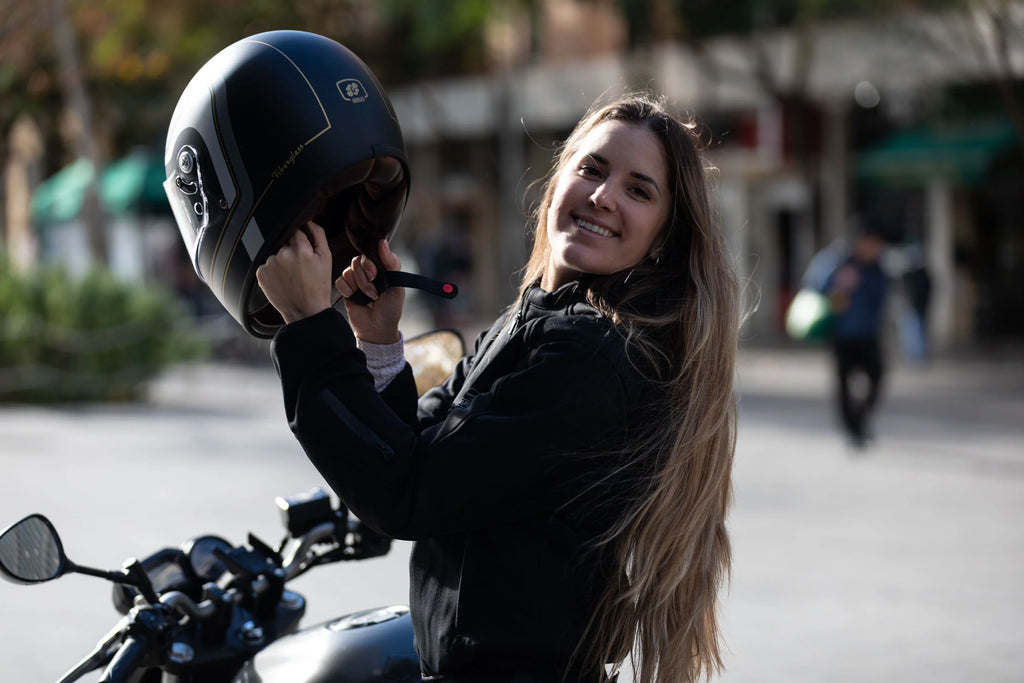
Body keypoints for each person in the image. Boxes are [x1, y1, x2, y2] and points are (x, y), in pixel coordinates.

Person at [255, 93, 740, 683]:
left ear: (663, 237)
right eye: (592, 169)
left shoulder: (591, 357)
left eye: (639, 191)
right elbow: (412, 450)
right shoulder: (533, 321)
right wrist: (379, 341)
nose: (604, 196)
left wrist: (309, 325)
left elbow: (404, 492)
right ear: (557, 181)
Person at [822, 228, 890, 447]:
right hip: (843, 335)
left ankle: (860, 419)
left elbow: (881, 298)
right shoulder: (842, 265)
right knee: (843, 382)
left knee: (876, 377)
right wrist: (840, 287)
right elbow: (824, 291)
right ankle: (851, 427)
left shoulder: (878, 271)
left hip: (868, 336)